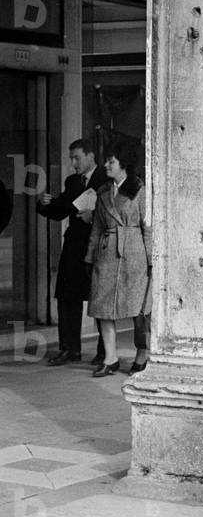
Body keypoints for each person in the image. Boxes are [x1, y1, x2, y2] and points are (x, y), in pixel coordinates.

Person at [38, 139, 107, 365]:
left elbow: (118, 211)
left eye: (77, 158)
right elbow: (61, 210)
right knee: (67, 297)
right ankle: (69, 349)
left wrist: (93, 215)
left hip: (100, 247)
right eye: (71, 159)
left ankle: (105, 352)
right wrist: (44, 205)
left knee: (101, 301)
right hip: (74, 247)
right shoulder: (73, 182)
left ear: (90, 156)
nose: (73, 163)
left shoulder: (106, 179)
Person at [84, 143, 152, 377]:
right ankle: (110, 358)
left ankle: (142, 354)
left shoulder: (140, 190)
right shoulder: (103, 191)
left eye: (111, 162)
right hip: (106, 253)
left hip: (134, 253)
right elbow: (96, 227)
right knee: (102, 307)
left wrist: (151, 259)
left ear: (123, 165)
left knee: (139, 309)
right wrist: (90, 256)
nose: (106, 165)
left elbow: (148, 227)